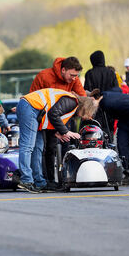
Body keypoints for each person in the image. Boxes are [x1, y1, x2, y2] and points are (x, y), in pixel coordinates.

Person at [17, 88, 100, 193]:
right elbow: (53, 113)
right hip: (30, 107)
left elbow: (51, 118)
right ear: (86, 108)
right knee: (28, 146)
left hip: (34, 110)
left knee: (38, 148)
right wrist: (66, 132)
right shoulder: (72, 102)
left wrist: (58, 133)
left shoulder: (72, 105)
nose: (88, 117)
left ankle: (39, 182)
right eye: (89, 113)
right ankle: (26, 180)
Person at [29, 56, 86, 188]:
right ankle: (47, 180)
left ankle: (66, 178)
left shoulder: (74, 79)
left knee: (65, 146)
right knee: (46, 148)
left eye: (76, 76)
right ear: (63, 70)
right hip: (44, 119)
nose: (74, 78)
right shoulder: (44, 76)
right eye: (72, 75)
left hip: (62, 118)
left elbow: (82, 97)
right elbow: (33, 97)